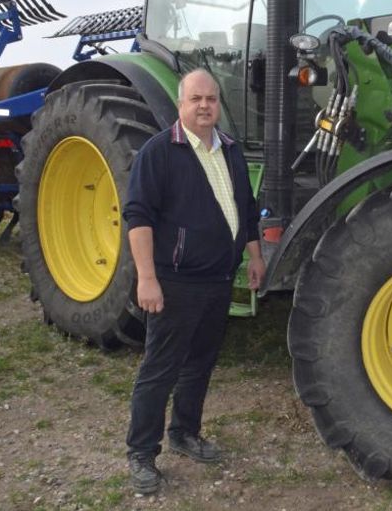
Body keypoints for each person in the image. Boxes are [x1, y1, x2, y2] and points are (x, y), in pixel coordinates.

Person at [122, 68, 265, 495]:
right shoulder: (160, 152)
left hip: (218, 279)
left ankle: (185, 432)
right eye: (196, 99)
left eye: (212, 99)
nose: (205, 106)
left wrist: (254, 256)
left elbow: (247, 206)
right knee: (159, 369)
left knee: (200, 364)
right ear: (181, 105)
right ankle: (142, 453)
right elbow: (138, 217)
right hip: (176, 281)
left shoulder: (231, 150)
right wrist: (147, 278)